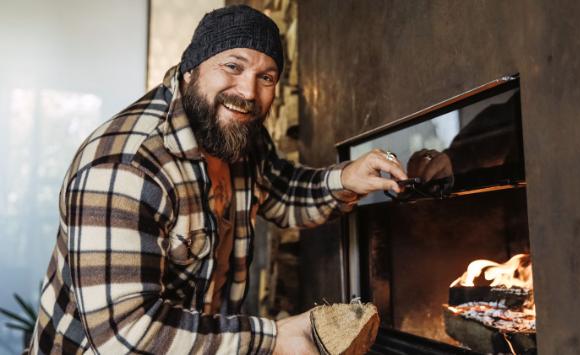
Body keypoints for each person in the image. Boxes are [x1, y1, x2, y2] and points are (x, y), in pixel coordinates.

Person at [27, 5, 406, 355]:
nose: (248, 92)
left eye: (266, 77)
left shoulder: (237, 134)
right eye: (233, 66)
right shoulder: (126, 166)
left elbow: (280, 191)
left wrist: (347, 178)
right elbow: (125, 337)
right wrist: (274, 340)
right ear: (190, 69)